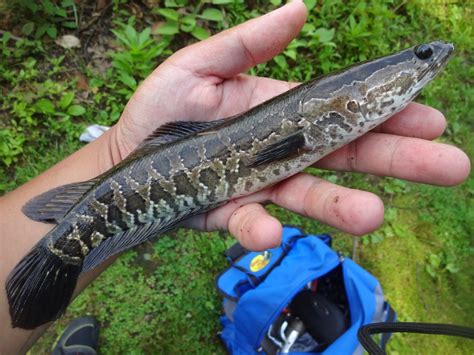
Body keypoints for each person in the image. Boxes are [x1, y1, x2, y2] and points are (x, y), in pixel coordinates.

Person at [0, 1, 470, 352]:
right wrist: (122, 149)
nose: (431, 59)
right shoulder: (332, 111)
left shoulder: (341, 113)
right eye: (422, 55)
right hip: (144, 177)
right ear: (352, 100)